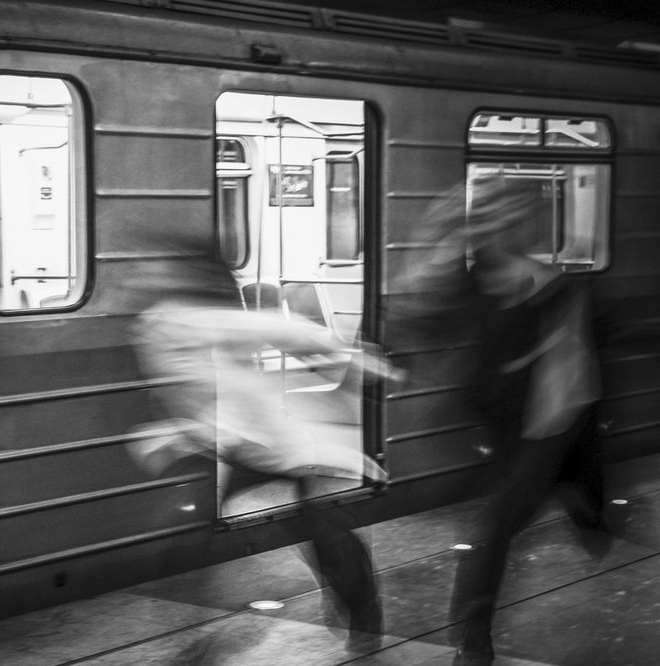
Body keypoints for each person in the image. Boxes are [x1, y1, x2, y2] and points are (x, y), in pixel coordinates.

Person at [125, 235, 397, 657]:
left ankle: (360, 605)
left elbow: (274, 330)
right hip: (235, 443)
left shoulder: (187, 319)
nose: (145, 276)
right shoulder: (165, 321)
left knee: (315, 528)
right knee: (294, 525)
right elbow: (195, 383)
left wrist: (347, 356)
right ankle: (191, 639)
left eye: (156, 268)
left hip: (263, 443)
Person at [418, 177, 609, 666]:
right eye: (503, 219)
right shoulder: (471, 280)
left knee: (498, 521)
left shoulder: (556, 286)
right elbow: (423, 313)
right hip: (501, 423)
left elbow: (575, 363)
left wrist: (556, 424)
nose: (518, 227)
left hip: (550, 418)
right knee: (506, 513)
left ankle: (473, 633)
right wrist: (444, 242)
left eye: (522, 218)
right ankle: (569, 491)